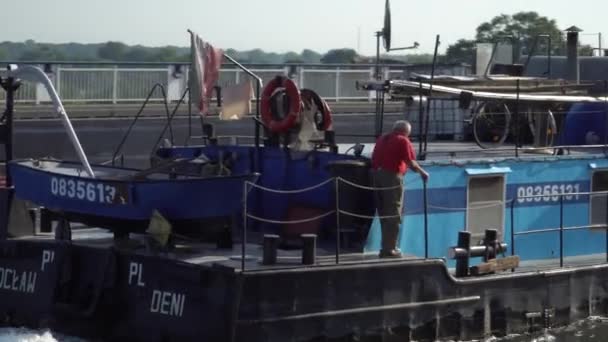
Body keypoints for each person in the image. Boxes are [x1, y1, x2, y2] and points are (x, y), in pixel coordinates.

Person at [371, 120, 429, 258]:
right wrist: (423, 172)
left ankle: (385, 246)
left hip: (376, 176)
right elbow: (410, 162)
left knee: (384, 212)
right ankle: (389, 249)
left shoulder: (382, 138)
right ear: (406, 132)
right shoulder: (403, 140)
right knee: (394, 212)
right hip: (391, 177)